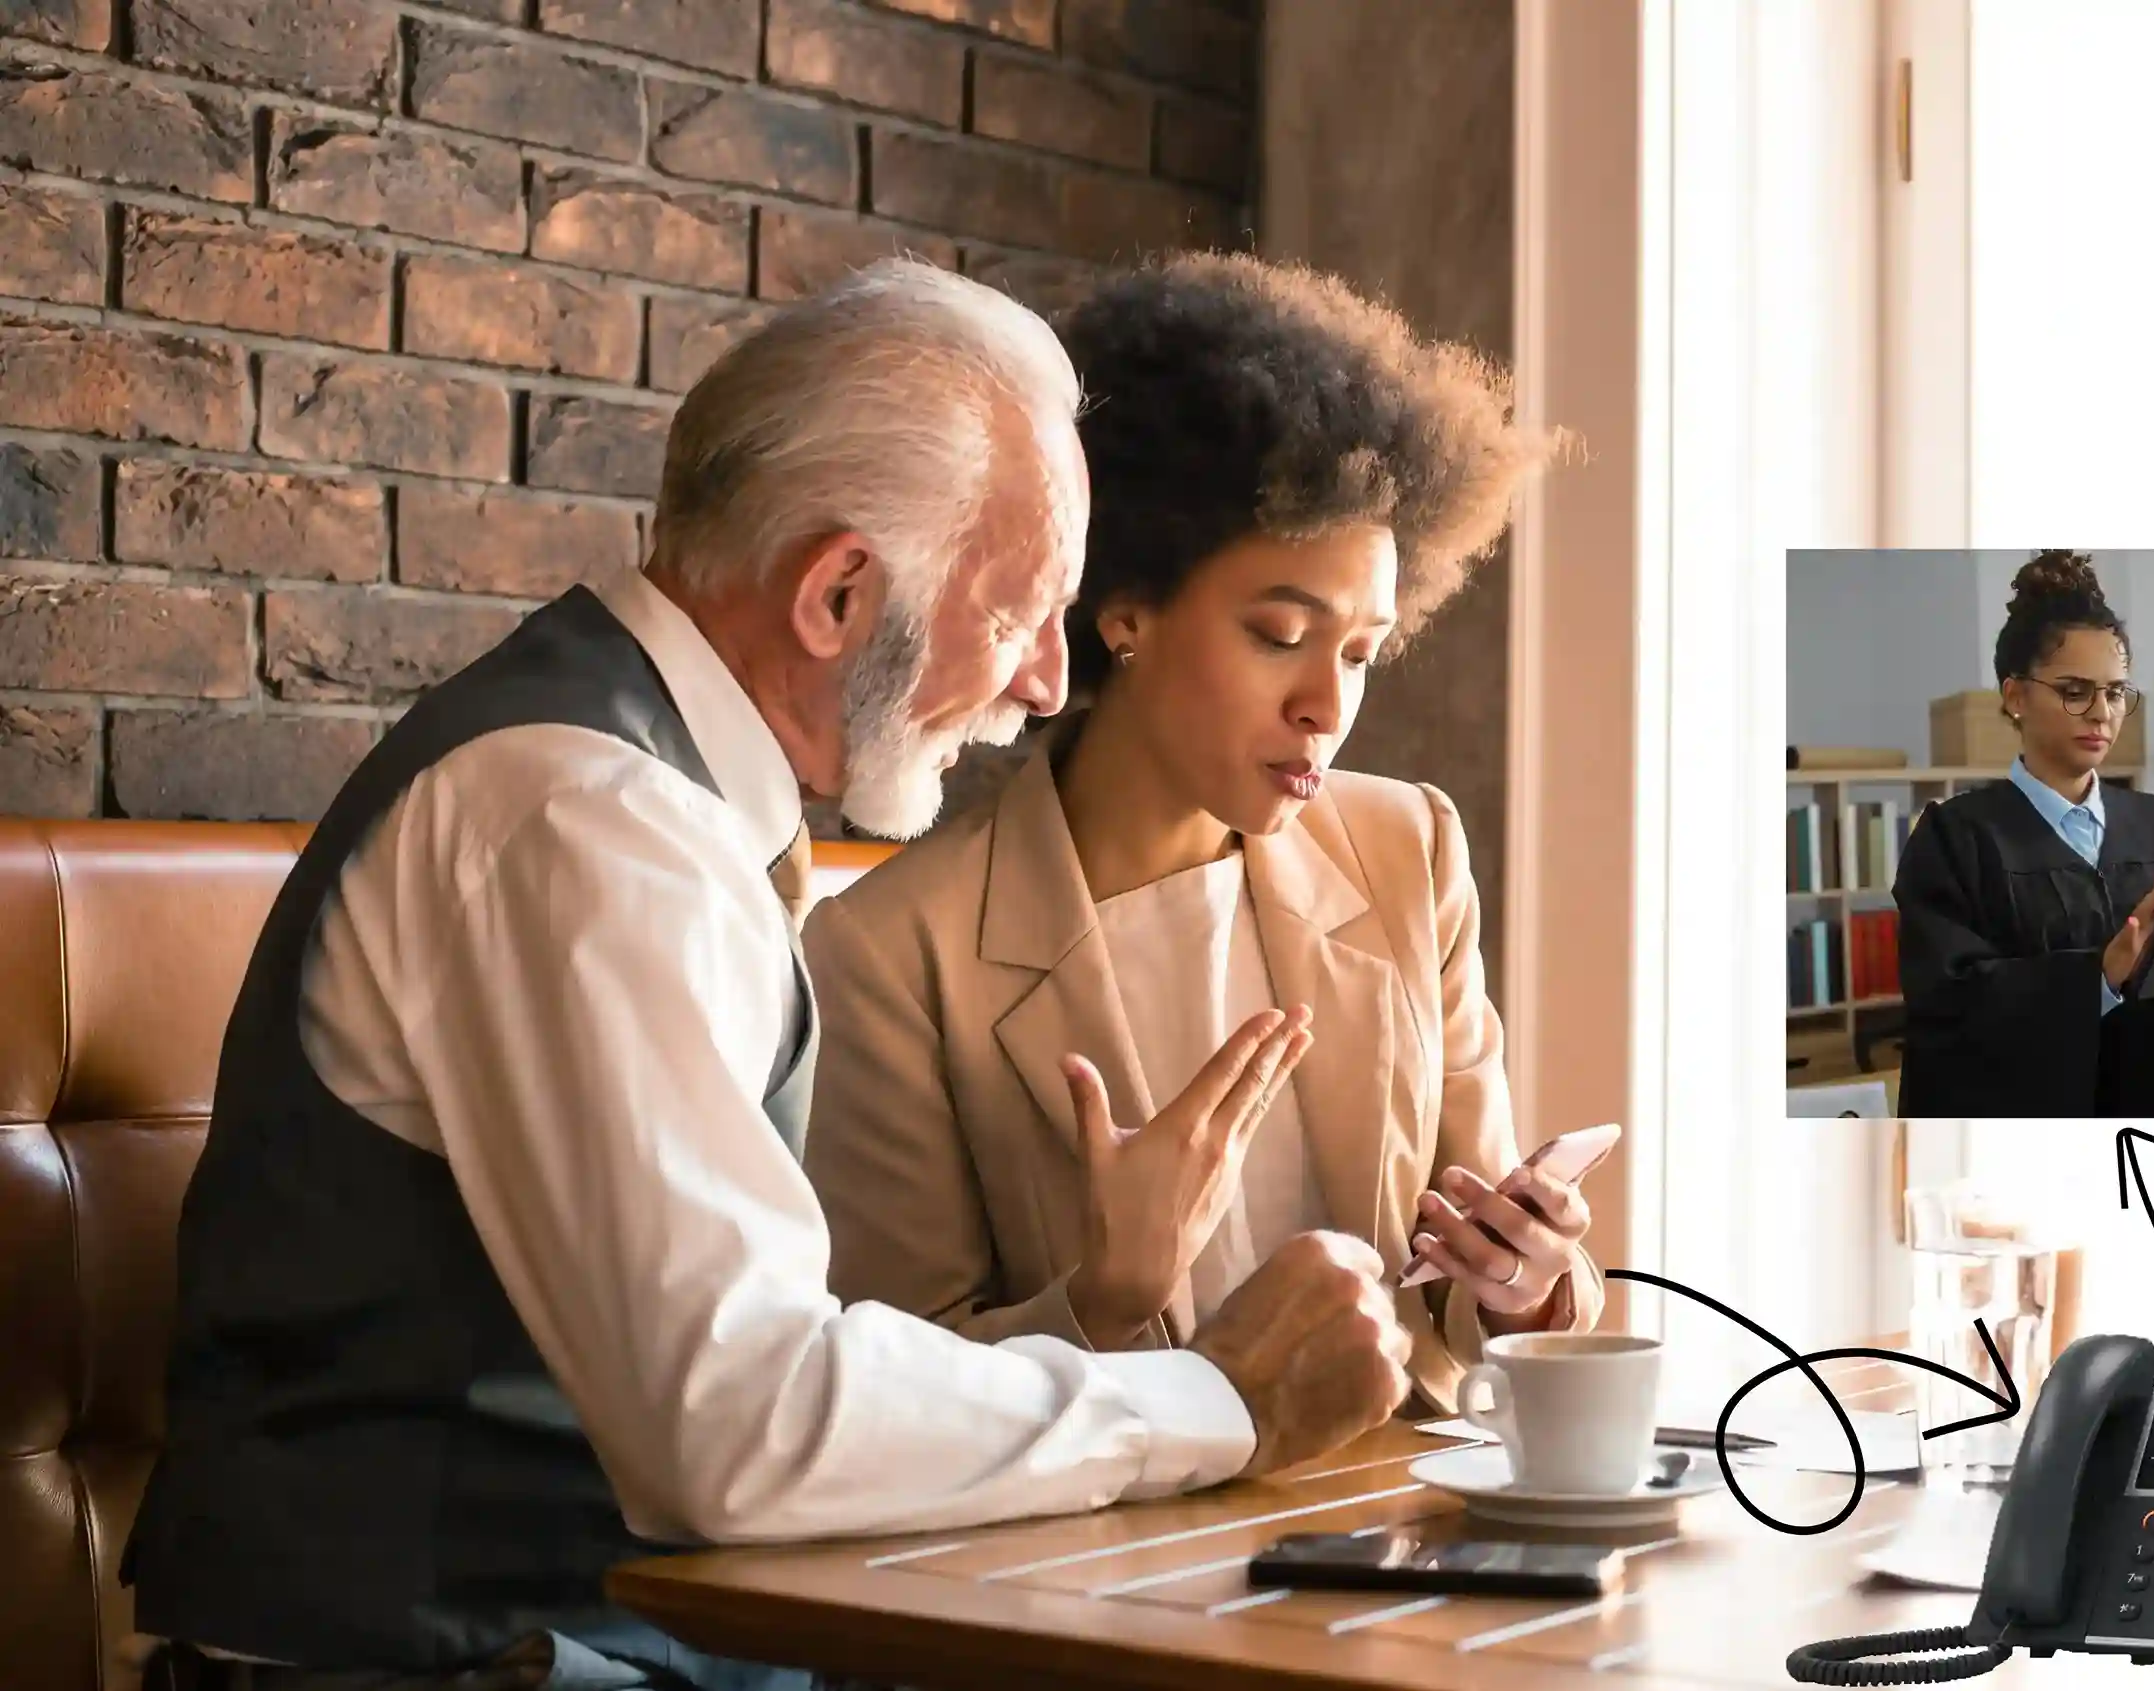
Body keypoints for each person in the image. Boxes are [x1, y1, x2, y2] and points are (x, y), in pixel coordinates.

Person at [120, 259, 1413, 1691]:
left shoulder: (651, 799)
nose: (1048, 678)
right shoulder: (583, 818)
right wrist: (1209, 1399)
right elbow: (737, 1429)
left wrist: (1084, 1320)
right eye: (1021, 610)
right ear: (838, 591)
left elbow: (754, 1375)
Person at [800, 252, 1602, 1417]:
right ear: (1122, 608)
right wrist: (1107, 1290)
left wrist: (1524, 1283)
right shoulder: (890, 953)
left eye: (1362, 651)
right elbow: (892, 1394)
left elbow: (1462, 1292)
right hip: (1110, 1571)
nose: (1327, 703)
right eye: (1281, 633)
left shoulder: (1404, 852)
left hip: (1408, 1545)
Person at [1893, 550, 2154, 1117]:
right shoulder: (1956, 839)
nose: (2101, 713)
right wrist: (2094, 979)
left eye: (2116, 692)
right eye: (2074, 690)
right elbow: (1947, 1013)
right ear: (2016, 696)